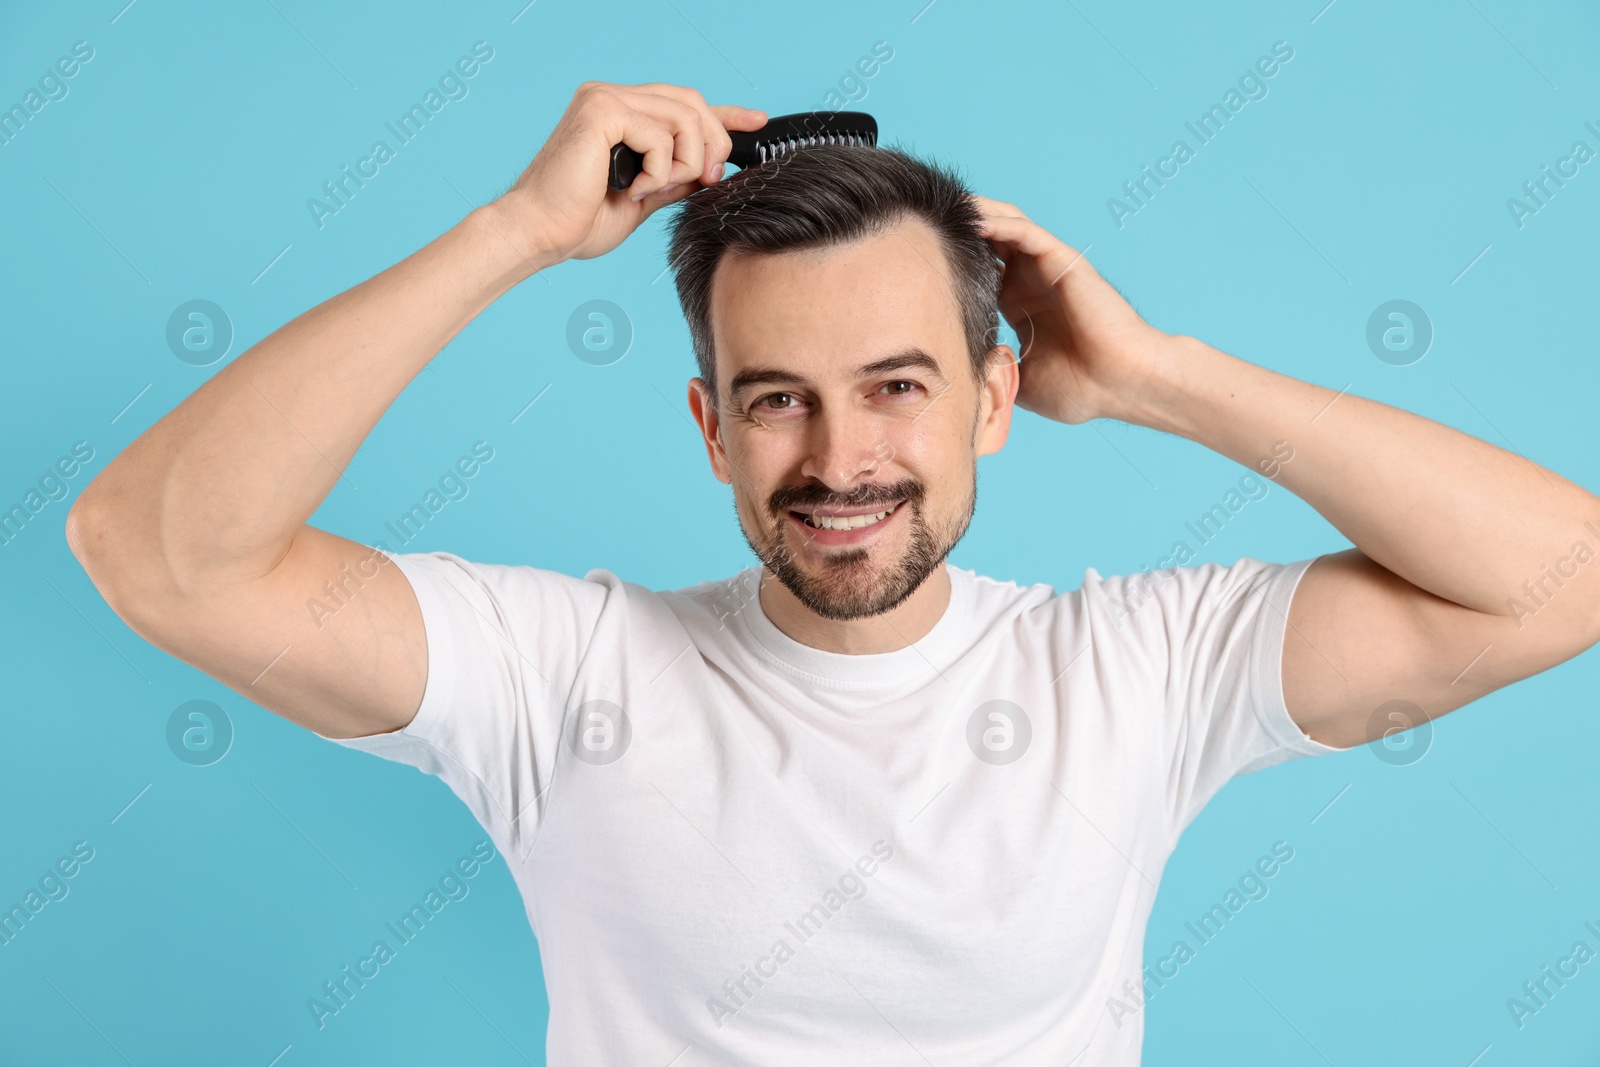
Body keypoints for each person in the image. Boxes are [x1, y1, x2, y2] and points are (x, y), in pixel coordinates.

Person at [66, 81, 1600, 1064]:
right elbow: (153, 552)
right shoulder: (558, 676)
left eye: (899, 385)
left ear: (996, 400)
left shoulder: (1137, 671)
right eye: (776, 397)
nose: (838, 457)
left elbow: (1563, 574)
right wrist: (513, 234)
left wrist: (1160, 377)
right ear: (712, 432)